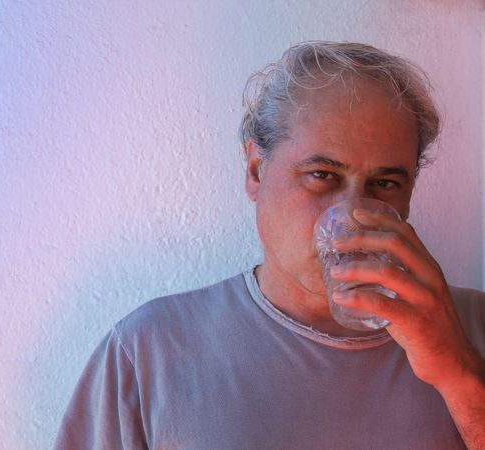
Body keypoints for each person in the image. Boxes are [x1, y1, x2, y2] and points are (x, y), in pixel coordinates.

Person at [54, 41, 485, 449]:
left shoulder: (473, 326)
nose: (355, 213)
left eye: (385, 183)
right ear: (257, 172)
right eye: (322, 175)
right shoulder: (151, 349)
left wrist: (459, 372)